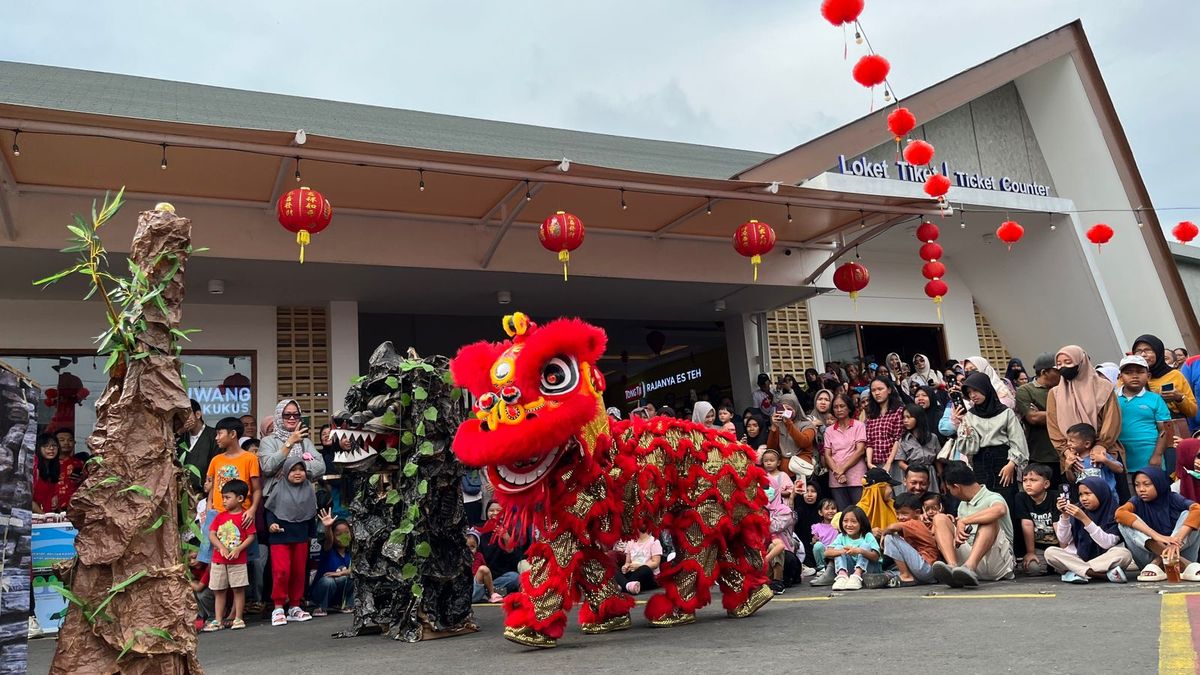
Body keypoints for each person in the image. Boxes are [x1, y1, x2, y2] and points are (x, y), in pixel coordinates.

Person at [949, 372, 1029, 525]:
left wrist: (1012, 464)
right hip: (981, 462)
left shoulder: (1005, 413)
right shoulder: (970, 416)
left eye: (976, 391)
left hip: (1003, 462)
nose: (973, 395)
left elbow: (1018, 440)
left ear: (986, 389)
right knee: (984, 503)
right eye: (969, 392)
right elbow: (967, 449)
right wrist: (965, 431)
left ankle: (1012, 546)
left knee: (1007, 503)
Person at [1046, 345, 1123, 499]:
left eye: (1068, 362)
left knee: (1112, 501)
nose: (1063, 367)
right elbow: (1053, 427)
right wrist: (1067, 452)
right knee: (1082, 506)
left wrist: (1101, 445)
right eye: (1059, 364)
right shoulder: (1055, 393)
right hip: (1073, 460)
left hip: (1104, 454)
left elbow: (1112, 419)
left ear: (1081, 362)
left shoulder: (1104, 387)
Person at [929, 461, 1016, 587]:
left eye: (949, 489)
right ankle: (952, 568)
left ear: (956, 487)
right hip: (965, 567)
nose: (950, 492)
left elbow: (1000, 510)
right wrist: (956, 532)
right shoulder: (962, 505)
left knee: (989, 521)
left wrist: (964, 521)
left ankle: (970, 566)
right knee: (939, 518)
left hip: (998, 563)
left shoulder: (993, 497)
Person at [1116, 468, 1200, 581]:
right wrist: (1155, 536)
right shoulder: (1136, 501)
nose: (1141, 489)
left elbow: (1197, 509)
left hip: (1180, 550)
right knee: (1124, 522)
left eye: (1146, 485)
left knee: (1190, 514)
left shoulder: (1173, 498)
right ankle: (1184, 563)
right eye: (1137, 485)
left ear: (1159, 483)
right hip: (1149, 561)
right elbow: (1119, 514)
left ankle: (1163, 559)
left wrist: (1175, 541)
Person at [1045, 476, 1132, 584]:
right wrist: (1065, 516)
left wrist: (1084, 519)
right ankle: (1101, 575)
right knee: (1050, 552)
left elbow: (1106, 544)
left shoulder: (1114, 512)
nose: (1083, 498)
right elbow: (1064, 540)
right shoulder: (1078, 508)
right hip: (1078, 556)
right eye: (1081, 494)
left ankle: (1078, 572)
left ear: (1101, 493)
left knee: (1124, 554)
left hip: (1104, 558)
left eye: (1088, 493)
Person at [199, 418, 261, 566]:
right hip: (217, 514)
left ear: (232, 434)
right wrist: (209, 505)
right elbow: (212, 486)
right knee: (213, 561)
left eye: (219, 433)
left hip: (240, 515)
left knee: (240, 561)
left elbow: (257, 489)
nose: (216, 438)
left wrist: (252, 510)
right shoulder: (216, 460)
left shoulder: (250, 458)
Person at [265, 457, 317, 626]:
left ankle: (295, 606)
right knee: (281, 571)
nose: (297, 473)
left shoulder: (309, 489)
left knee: (298, 571)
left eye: (301, 470)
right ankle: (278, 606)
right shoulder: (278, 488)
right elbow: (270, 510)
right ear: (286, 472)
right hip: (280, 535)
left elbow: (311, 513)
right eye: (293, 470)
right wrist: (271, 524)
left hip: (301, 536)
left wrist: (312, 535)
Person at [1132, 335, 1194, 474]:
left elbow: (1192, 411)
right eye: (1138, 350)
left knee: (1177, 473)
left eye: (1148, 350)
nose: (1143, 354)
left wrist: (1178, 398)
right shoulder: (1128, 378)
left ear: (1158, 351)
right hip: (1144, 435)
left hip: (1173, 431)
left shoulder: (1175, 375)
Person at [203, 479, 256, 631]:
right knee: (218, 590)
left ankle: (238, 618)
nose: (224, 501)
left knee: (238, 588)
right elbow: (212, 535)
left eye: (227, 497)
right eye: (223, 497)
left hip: (238, 560)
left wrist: (239, 549)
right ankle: (218, 620)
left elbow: (251, 536)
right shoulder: (220, 516)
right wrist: (220, 547)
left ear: (240, 498)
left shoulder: (245, 517)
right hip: (219, 560)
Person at [259, 399, 327, 503]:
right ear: (279, 416)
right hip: (276, 499)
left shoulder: (305, 442)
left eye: (296, 415)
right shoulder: (268, 441)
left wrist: (291, 468)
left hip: (304, 498)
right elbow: (268, 468)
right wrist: (290, 442)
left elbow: (321, 467)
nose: (292, 418)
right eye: (287, 415)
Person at [1015, 353, 1063, 486]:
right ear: (1044, 372)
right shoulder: (1026, 391)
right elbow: (1033, 418)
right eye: (1057, 371)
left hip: (1065, 452)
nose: (1062, 374)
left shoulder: (1065, 388)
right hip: (1041, 454)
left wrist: (1044, 413)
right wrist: (1065, 413)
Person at [880, 492, 941, 585]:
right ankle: (893, 576)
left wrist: (883, 534)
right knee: (890, 571)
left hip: (926, 567)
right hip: (926, 572)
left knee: (890, 537)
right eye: (897, 513)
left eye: (904, 514)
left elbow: (892, 527)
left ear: (917, 512)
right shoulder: (912, 524)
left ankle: (905, 575)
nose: (900, 517)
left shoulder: (914, 523)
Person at [823, 393, 867, 509]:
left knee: (860, 512)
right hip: (836, 478)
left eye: (842, 406)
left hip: (856, 476)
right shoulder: (829, 430)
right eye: (835, 407)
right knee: (843, 514)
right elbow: (827, 455)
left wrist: (841, 470)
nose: (839, 409)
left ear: (849, 407)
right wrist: (838, 473)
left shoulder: (859, 426)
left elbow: (860, 451)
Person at [1015, 464, 1060, 576]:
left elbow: (1057, 524)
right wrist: (1030, 552)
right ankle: (1049, 567)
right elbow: (1027, 524)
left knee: (1065, 567)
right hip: (1038, 548)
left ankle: (1055, 566)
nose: (1028, 484)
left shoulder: (1055, 497)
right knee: (1032, 568)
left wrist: (1065, 552)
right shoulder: (1021, 498)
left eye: (1033, 480)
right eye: (1025, 480)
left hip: (1057, 546)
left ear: (1046, 484)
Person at [827, 506, 881, 590]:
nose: (849, 525)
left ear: (862, 523)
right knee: (838, 548)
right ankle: (842, 576)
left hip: (869, 570)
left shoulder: (867, 535)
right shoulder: (842, 536)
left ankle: (857, 575)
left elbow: (876, 557)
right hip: (850, 570)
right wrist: (842, 551)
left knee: (865, 546)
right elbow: (827, 552)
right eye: (845, 521)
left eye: (854, 521)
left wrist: (860, 551)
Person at [477, 501, 524, 596]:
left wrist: (506, 539)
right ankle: (490, 591)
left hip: (504, 576)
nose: (494, 513)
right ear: (486, 513)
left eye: (498, 510)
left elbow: (516, 559)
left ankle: (489, 591)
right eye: (491, 510)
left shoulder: (512, 531)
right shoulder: (480, 531)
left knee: (515, 577)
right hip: (485, 575)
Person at [862, 378, 905, 483]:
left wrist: (888, 463)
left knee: (900, 495)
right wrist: (869, 462)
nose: (877, 393)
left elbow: (898, 439)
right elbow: (869, 442)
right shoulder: (871, 415)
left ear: (889, 390)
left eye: (880, 389)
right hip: (876, 464)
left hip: (894, 462)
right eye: (873, 390)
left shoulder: (899, 411)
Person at [311, 509, 353, 614]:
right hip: (322, 590)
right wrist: (328, 526)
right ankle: (321, 607)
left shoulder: (353, 551)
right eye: (338, 534)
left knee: (349, 578)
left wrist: (340, 573)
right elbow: (329, 540)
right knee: (328, 581)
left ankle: (344, 604)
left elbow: (356, 570)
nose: (344, 537)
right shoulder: (328, 550)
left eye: (346, 533)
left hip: (339, 591)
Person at [1063, 423, 1123, 497]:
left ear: (1087, 444)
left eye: (1072, 441)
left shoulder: (1099, 455)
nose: (1068, 444)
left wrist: (1105, 460)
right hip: (1086, 500)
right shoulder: (1073, 460)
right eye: (1067, 440)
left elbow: (1120, 469)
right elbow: (1073, 480)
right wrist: (1068, 469)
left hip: (1107, 498)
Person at [32, 432, 82, 514]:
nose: (51, 448)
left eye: (54, 445)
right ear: (38, 448)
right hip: (35, 518)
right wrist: (44, 516)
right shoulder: (34, 468)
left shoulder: (54, 468)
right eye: (45, 446)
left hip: (49, 516)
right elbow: (27, 500)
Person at [767, 393, 816, 476]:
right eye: (783, 410)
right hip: (783, 474)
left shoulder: (806, 424)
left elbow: (804, 442)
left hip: (801, 472)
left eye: (789, 409)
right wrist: (774, 427)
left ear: (796, 408)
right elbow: (771, 449)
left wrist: (788, 423)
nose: (786, 412)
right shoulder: (779, 425)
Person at [895, 404, 939, 490]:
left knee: (931, 498)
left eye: (908, 417)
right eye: (903, 418)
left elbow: (937, 460)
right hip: (912, 475)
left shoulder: (932, 437)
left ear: (918, 417)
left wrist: (941, 478)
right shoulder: (903, 440)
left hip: (930, 473)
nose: (905, 420)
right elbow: (900, 463)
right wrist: (915, 471)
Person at [181, 399, 219, 494]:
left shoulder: (214, 436)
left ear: (198, 414)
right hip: (183, 493)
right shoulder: (180, 437)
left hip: (206, 493)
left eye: (186, 415)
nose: (183, 419)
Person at [857, 467, 899, 538]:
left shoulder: (893, 504)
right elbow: (848, 531)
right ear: (879, 488)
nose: (892, 490)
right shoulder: (859, 509)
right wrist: (869, 532)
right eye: (889, 486)